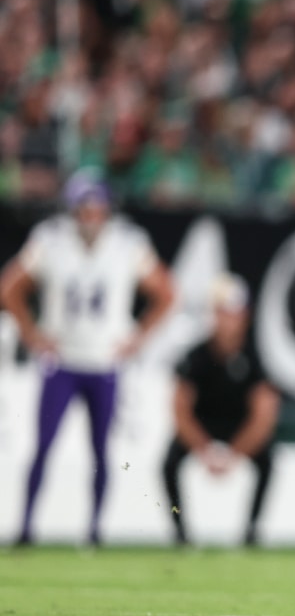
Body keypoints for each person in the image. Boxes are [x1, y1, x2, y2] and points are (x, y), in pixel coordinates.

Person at [0, 169, 175, 546]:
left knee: (101, 449)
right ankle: (26, 528)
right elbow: (10, 286)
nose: (90, 215)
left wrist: (138, 337)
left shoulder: (128, 243)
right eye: (84, 207)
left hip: (104, 361)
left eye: (96, 208)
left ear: (107, 209)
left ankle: (94, 531)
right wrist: (31, 333)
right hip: (61, 360)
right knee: (43, 446)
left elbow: (165, 292)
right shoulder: (50, 239)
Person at [163, 274, 280, 547]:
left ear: (244, 317)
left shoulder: (254, 358)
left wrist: (234, 454)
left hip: (237, 427)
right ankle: (180, 531)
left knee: (268, 461)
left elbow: (264, 416)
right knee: (168, 464)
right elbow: (180, 411)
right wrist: (203, 448)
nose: (228, 321)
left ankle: (251, 531)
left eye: (233, 314)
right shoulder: (196, 357)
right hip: (204, 425)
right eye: (222, 313)